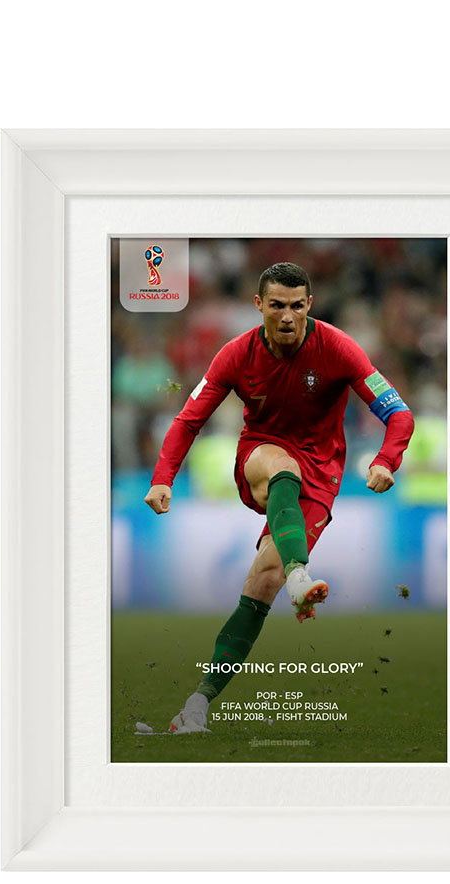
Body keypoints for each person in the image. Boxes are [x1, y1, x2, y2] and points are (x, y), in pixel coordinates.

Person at [144, 262, 415, 733]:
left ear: (309, 304)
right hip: (261, 456)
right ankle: (299, 575)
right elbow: (189, 420)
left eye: (296, 306)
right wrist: (163, 477)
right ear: (258, 305)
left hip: (321, 476)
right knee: (282, 468)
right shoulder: (235, 355)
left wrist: (385, 460)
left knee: (261, 584)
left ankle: (196, 705)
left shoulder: (338, 348)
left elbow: (400, 415)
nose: (287, 316)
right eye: (276, 306)